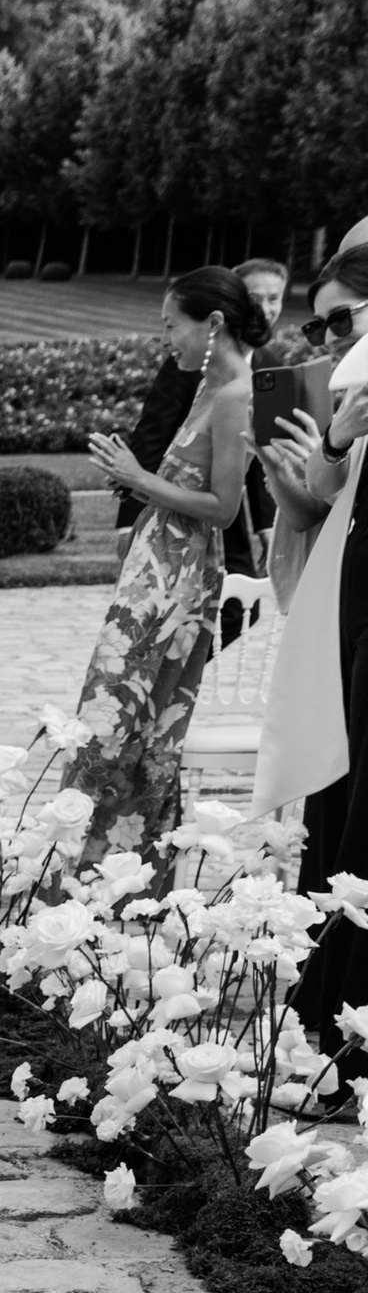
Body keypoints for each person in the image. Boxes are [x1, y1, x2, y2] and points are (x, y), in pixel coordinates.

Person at [70, 265, 264, 862]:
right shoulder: (205, 385)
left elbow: (225, 508)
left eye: (171, 326)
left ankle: (117, 864)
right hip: (152, 573)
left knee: (130, 724)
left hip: (178, 585)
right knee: (107, 717)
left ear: (213, 323)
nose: (165, 339)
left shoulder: (236, 397)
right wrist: (138, 489)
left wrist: (138, 479)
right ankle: (90, 857)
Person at [256, 231, 368, 1036]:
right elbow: (331, 497)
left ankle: (335, 1018)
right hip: (350, 612)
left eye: (343, 321)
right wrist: (324, 445)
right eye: (322, 327)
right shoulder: (354, 390)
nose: (328, 341)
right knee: (342, 808)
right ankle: (329, 1015)